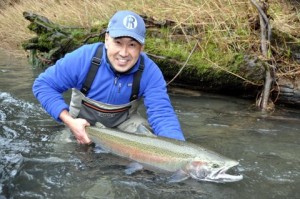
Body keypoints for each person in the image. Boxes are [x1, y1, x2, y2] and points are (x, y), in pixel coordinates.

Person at [32, 10, 185, 144]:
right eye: (118, 42)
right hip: (80, 122)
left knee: (149, 151)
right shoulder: (83, 58)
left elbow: (162, 115)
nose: (124, 53)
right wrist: (69, 121)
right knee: (60, 154)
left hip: (124, 124)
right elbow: (43, 85)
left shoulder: (150, 72)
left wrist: (181, 153)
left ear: (142, 47)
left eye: (132, 45)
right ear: (106, 39)